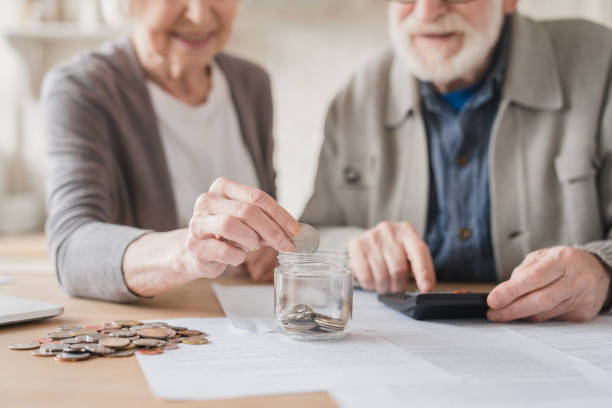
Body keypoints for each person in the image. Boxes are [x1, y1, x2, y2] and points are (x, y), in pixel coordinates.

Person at [301, 0, 612, 322]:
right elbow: (308, 237)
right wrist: (354, 248)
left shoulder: (600, 62)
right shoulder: (357, 95)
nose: (426, 12)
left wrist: (602, 268)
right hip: (403, 348)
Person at [43, 0, 299, 303]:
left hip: (241, 321)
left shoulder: (252, 83)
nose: (199, 15)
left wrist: (267, 245)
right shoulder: (82, 87)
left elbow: (263, 219)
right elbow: (72, 249)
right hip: (151, 327)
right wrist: (187, 254)